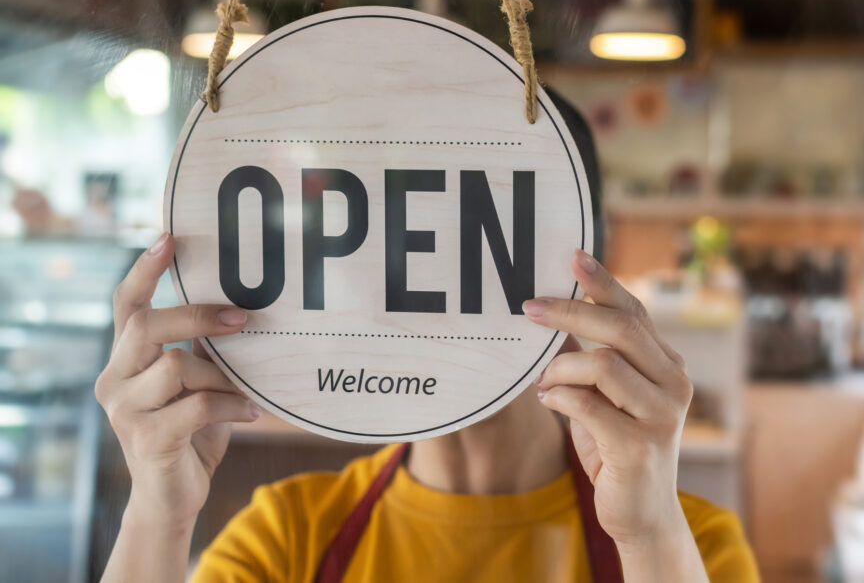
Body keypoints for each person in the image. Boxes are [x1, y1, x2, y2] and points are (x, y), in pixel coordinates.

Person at [95, 93, 759, 582]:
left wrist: (647, 538)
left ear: (587, 273)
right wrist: (157, 513)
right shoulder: (288, 536)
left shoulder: (687, 543)